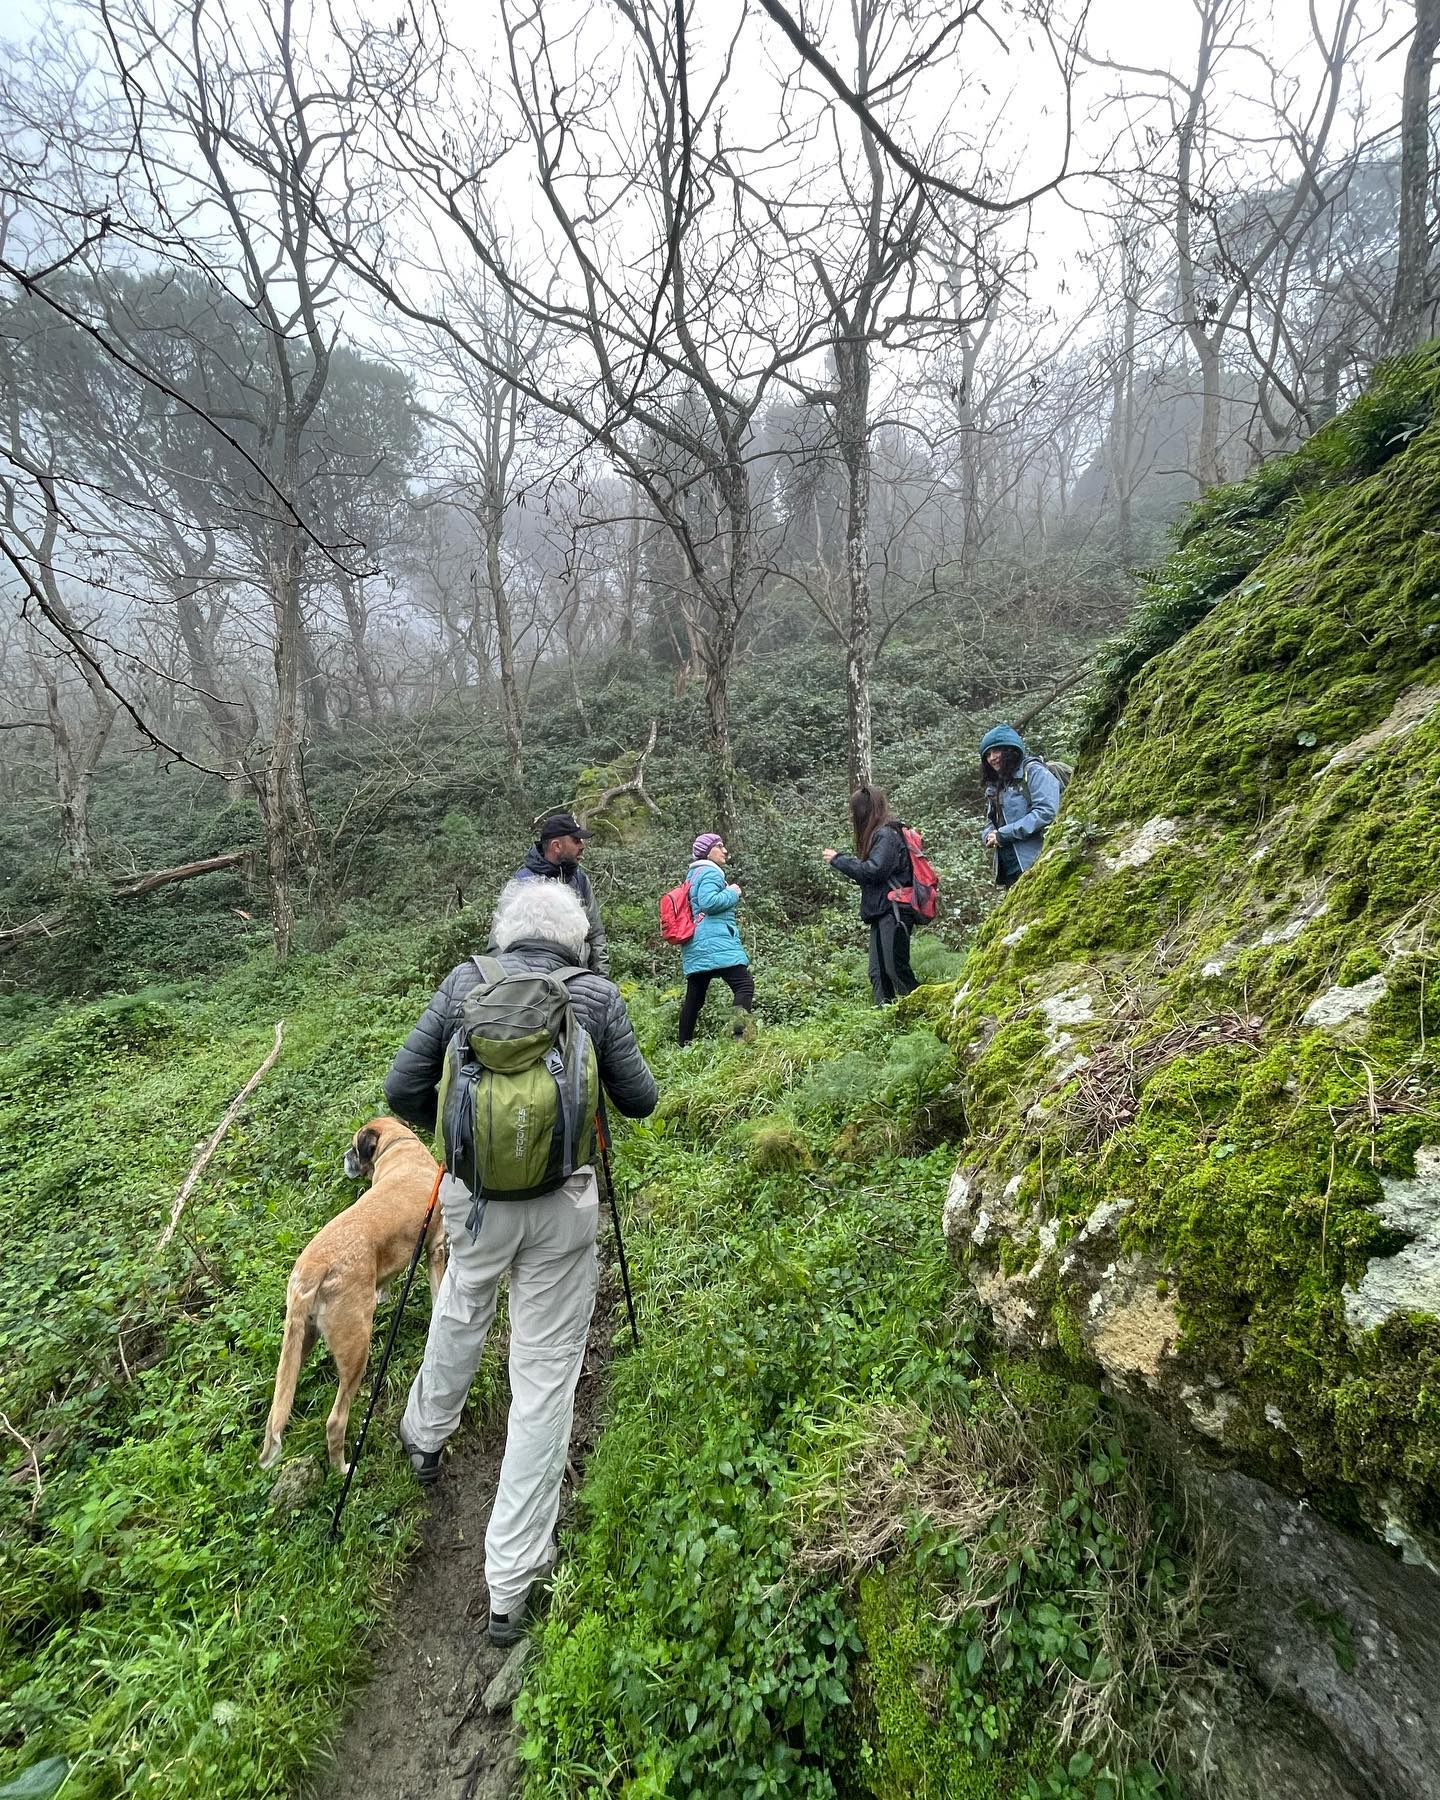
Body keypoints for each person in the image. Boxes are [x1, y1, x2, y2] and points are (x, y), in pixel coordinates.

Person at [383, 878, 657, 1646]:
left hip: (473, 1202)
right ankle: (512, 1581)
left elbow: (401, 1086)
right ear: (576, 940)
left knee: (462, 1308)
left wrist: (458, 1129)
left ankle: (425, 1436)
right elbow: (640, 1101)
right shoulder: (596, 995)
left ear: (506, 934)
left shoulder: (465, 981)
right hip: (564, 1206)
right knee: (542, 1378)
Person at [822, 784, 918, 1005]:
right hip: (882, 911)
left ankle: (925, 1013)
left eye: (854, 810)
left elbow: (873, 871)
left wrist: (839, 860)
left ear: (864, 811)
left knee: (895, 970)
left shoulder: (886, 835)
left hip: (894, 910)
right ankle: (888, 1023)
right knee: (878, 973)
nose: (852, 816)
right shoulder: (881, 835)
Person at [505, 809, 609, 975]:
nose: (582, 846)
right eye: (576, 840)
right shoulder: (521, 884)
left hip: (576, 981)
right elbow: (498, 943)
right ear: (556, 846)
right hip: (530, 985)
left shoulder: (580, 880)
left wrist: (601, 979)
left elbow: (595, 935)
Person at [677, 832, 755, 1046]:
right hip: (716, 943)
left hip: (695, 945)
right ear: (706, 852)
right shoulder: (711, 873)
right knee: (744, 985)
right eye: (719, 846)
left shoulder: (692, 875)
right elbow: (709, 903)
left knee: (694, 998)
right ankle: (739, 1038)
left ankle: (683, 1046)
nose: (724, 850)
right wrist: (733, 892)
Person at [979, 724, 1060, 888]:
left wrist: (1004, 834)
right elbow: (991, 820)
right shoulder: (997, 785)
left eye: (996, 751)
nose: (992, 758)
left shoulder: (1034, 772)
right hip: (1009, 866)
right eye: (987, 754)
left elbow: (1046, 811)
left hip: (1037, 858)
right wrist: (988, 835)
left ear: (1010, 750)